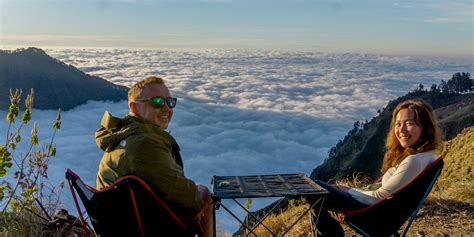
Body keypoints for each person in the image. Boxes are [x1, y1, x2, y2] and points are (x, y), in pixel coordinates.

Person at [95, 76, 213, 236]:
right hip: (146, 228)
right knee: (204, 193)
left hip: (120, 224)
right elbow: (190, 200)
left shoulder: (120, 135)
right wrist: (198, 191)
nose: (167, 108)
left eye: (170, 102)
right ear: (134, 107)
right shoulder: (145, 144)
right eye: (157, 102)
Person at [314, 99, 441, 236]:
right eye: (398, 124)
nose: (402, 130)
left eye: (409, 123)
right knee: (315, 193)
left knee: (313, 189)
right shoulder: (426, 156)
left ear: (425, 127)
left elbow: (379, 197)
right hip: (376, 212)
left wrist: (350, 190)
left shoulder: (414, 161)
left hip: (370, 215)